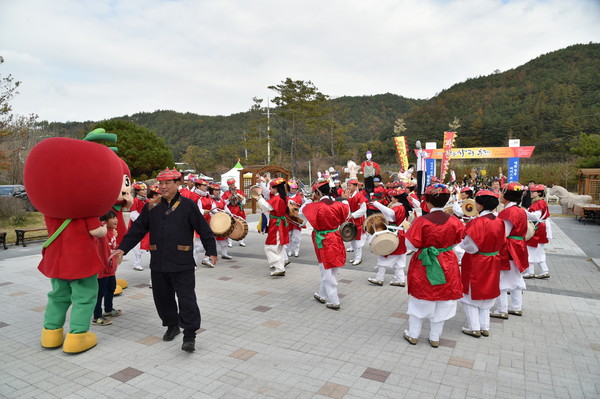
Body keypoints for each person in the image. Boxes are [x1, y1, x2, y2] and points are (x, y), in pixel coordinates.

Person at [111, 168, 218, 352]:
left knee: (187, 299)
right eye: (161, 183)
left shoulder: (188, 206)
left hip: (182, 262)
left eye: (168, 183)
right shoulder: (151, 206)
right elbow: (138, 229)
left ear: (178, 184)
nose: (163, 186)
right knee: (162, 298)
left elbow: (204, 229)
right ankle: (172, 325)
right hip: (159, 262)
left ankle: (190, 334)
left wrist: (211, 250)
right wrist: (123, 248)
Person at [403, 184, 465, 348]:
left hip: (425, 261)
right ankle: (435, 336)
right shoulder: (455, 221)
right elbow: (460, 241)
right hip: (447, 262)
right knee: (444, 299)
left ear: (427, 201)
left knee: (420, 297)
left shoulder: (421, 221)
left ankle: (414, 334)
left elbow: (410, 245)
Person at [456, 190, 504, 338]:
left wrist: (461, 246)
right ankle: (485, 326)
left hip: (477, 261)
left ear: (481, 204)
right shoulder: (500, 221)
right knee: (487, 293)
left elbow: (470, 246)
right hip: (494, 259)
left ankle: (474, 327)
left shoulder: (476, 223)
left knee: (470, 295)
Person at [301, 179, 350, 310]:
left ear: (317, 192)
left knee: (326, 268)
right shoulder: (340, 204)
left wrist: (308, 201)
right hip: (335, 236)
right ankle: (322, 294)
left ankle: (334, 300)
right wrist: (345, 199)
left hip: (323, 239)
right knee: (332, 267)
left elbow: (300, 218)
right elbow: (347, 213)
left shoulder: (313, 206)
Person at [491, 182, 529, 319]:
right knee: (516, 277)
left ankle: (502, 309)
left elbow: (503, 233)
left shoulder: (508, 212)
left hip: (508, 248)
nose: (500, 195)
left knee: (501, 279)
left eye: (502, 192)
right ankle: (516, 307)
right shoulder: (520, 210)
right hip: (519, 247)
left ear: (507, 195)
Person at [367, 189, 411, 287]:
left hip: (395, 233)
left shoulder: (398, 208)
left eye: (392, 197)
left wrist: (377, 204)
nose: (391, 199)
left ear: (396, 199)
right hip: (402, 233)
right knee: (399, 258)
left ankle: (379, 278)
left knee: (384, 253)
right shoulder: (403, 206)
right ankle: (400, 279)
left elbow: (391, 215)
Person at [93, 210, 122, 326]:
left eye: (116, 217)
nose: (116, 220)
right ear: (105, 221)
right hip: (102, 270)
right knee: (99, 293)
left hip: (111, 269)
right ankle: (97, 316)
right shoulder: (102, 234)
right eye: (112, 218)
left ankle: (108, 310)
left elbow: (113, 247)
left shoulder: (112, 232)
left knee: (111, 288)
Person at [256, 177, 289, 276]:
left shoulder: (277, 199)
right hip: (280, 223)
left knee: (269, 247)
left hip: (276, 224)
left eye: (271, 188)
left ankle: (279, 267)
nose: (270, 190)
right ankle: (281, 265)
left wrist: (259, 196)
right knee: (279, 247)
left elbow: (266, 206)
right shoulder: (283, 197)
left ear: (276, 188)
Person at [523, 184, 552, 279]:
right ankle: (544, 270)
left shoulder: (538, 203)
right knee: (540, 251)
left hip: (537, 228)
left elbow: (535, 216)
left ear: (539, 193)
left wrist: (523, 211)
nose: (531, 193)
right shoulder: (541, 202)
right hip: (541, 227)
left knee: (530, 250)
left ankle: (530, 271)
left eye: (533, 192)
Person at [342, 179, 368, 265]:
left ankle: (358, 258)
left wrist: (354, 215)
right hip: (350, 219)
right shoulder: (348, 195)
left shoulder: (359, 196)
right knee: (352, 238)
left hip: (358, 220)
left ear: (355, 186)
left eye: (350, 185)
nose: (348, 187)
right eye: (348, 185)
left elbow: (364, 209)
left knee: (357, 240)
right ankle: (356, 257)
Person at [193, 178, 216, 267]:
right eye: (204, 185)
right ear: (198, 186)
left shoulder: (207, 196)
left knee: (207, 242)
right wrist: (203, 212)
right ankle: (192, 263)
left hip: (207, 221)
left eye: (206, 185)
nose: (205, 187)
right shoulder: (194, 196)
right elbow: (195, 210)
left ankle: (206, 259)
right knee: (197, 245)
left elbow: (212, 207)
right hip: (198, 222)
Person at [222, 178, 247, 248]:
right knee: (230, 225)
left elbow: (244, 202)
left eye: (232, 184)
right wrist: (229, 198)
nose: (232, 185)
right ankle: (230, 241)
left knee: (242, 224)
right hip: (231, 210)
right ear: (228, 185)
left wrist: (239, 198)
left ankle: (241, 241)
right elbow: (224, 203)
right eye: (230, 184)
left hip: (239, 210)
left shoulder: (239, 191)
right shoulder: (226, 193)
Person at [130, 182, 148, 271]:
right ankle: (136, 263)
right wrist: (142, 221)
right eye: (142, 190)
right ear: (137, 191)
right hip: (137, 225)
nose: (145, 191)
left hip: (144, 224)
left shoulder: (146, 200)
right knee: (136, 245)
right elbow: (133, 213)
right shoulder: (135, 201)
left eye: (145, 189)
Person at [286, 180, 304, 257]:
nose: (293, 190)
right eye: (292, 188)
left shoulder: (300, 197)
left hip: (296, 219)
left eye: (295, 188)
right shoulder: (285, 197)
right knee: (288, 235)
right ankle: (289, 249)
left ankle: (296, 249)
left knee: (296, 236)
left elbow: (303, 206)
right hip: (288, 218)